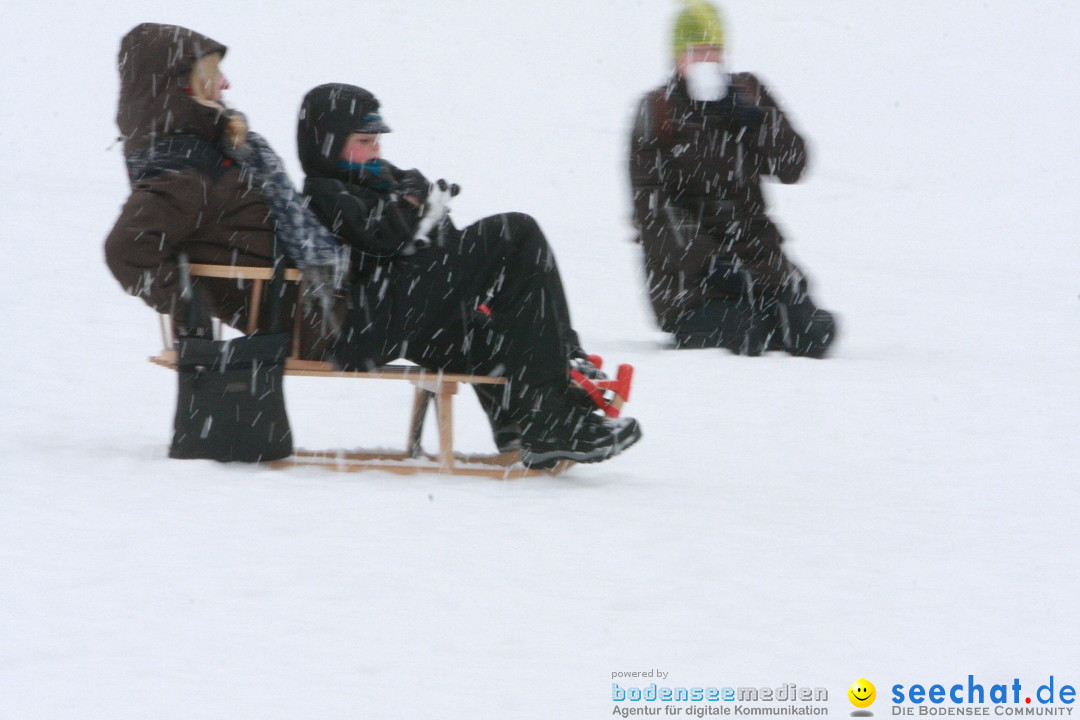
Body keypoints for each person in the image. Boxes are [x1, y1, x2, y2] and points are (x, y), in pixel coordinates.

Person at [296, 83, 641, 467]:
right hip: (369, 326)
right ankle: (550, 417)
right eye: (364, 140)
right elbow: (383, 239)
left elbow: (427, 235)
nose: (376, 148)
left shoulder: (376, 178)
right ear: (327, 144)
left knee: (492, 323)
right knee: (517, 233)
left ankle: (530, 420)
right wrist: (417, 206)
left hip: (401, 314)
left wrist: (424, 205)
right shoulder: (321, 191)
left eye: (376, 138)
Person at [105, 23, 345, 357]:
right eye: (212, 75)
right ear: (185, 86)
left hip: (325, 307)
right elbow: (125, 250)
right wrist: (191, 309)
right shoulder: (187, 172)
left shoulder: (219, 155)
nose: (226, 84)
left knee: (426, 253)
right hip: (318, 323)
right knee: (432, 277)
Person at [629, 0, 837, 357]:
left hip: (761, 268)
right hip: (690, 284)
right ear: (677, 57)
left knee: (813, 333)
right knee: (749, 334)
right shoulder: (657, 110)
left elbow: (794, 165)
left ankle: (770, 312)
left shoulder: (749, 94)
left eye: (713, 51)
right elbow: (651, 209)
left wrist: (757, 122)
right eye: (695, 52)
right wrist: (710, 264)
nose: (705, 60)